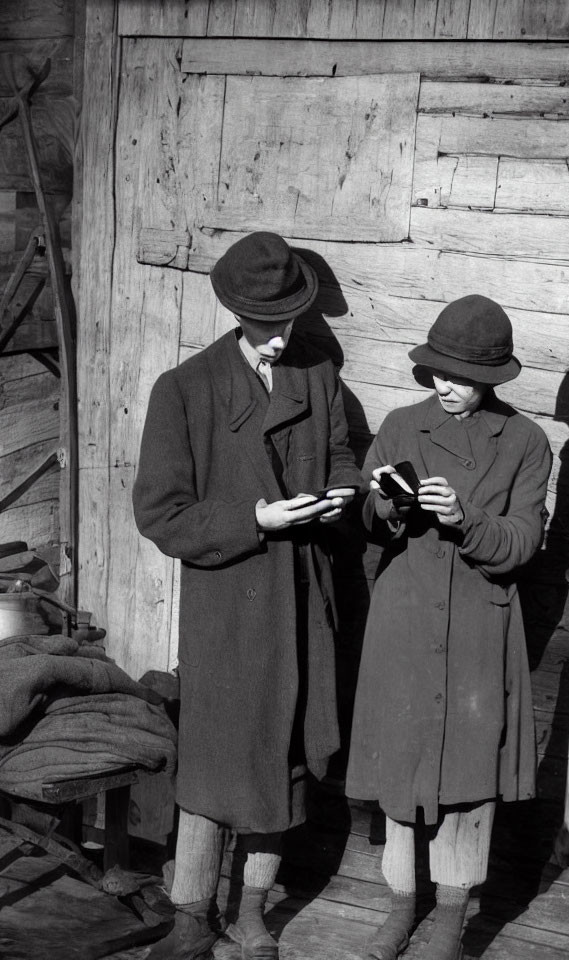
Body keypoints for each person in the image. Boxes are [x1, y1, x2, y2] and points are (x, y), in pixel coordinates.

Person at [132, 231, 361, 960]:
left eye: (291, 320)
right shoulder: (185, 389)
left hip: (301, 600)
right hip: (230, 606)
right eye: (266, 326)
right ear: (234, 314)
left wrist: (342, 496)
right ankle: (192, 914)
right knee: (215, 761)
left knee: (283, 757)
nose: (280, 338)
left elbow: (345, 457)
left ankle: (251, 911)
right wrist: (253, 520)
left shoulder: (317, 373)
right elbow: (160, 513)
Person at [346, 295, 552, 960]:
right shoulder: (403, 424)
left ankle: (449, 921)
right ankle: (400, 907)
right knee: (405, 770)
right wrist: (386, 501)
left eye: (461, 378)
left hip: (476, 625)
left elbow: (522, 543)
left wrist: (464, 520)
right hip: (406, 618)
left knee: (466, 781)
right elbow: (368, 515)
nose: (446, 386)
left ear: (491, 380)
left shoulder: (524, 442)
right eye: (437, 372)